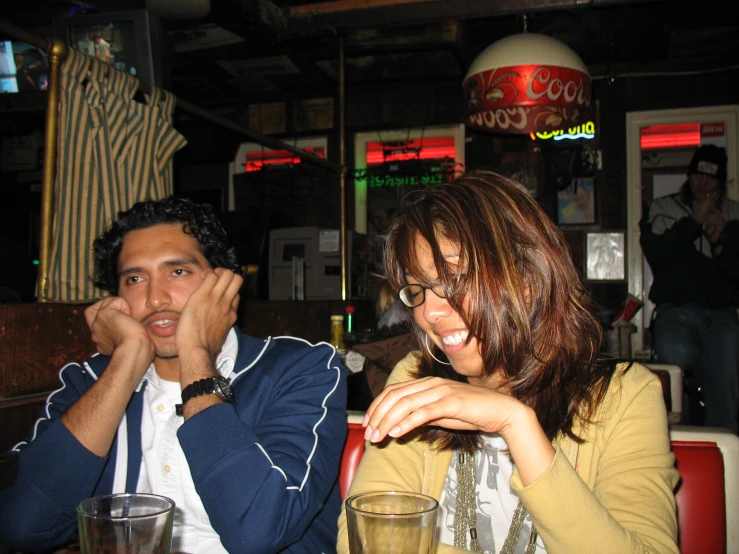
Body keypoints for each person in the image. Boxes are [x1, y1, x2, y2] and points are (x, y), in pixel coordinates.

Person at [337, 170, 678, 553]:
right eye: (417, 290)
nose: (430, 311)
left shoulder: (625, 397)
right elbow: (364, 539)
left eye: (456, 279)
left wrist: (515, 423)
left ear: (529, 277)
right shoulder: (415, 381)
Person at [0, 196, 348, 554]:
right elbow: (22, 526)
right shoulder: (89, 380)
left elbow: (259, 532)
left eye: (177, 271)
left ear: (222, 283)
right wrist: (128, 358)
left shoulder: (300, 368)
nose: (155, 298)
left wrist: (196, 354)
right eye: (135, 278)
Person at [640, 144, 739, 433]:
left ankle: (726, 453)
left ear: (721, 182)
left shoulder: (733, 213)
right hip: (677, 308)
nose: (703, 184)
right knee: (675, 353)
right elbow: (657, 255)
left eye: (710, 178)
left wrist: (721, 242)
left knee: (727, 384)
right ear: (689, 176)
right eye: (697, 176)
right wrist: (693, 222)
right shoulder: (663, 207)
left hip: (722, 313)